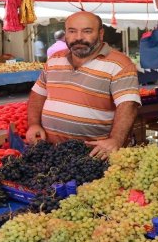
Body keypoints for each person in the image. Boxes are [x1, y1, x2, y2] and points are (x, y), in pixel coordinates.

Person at [26, 11, 141, 160]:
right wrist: (34, 124)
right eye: (72, 31)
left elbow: (128, 105)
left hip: (93, 156)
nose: (78, 37)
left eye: (87, 31)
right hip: (51, 150)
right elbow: (38, 94)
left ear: (101, 33)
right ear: (65, 33)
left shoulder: (120, 64)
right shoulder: (55, 59)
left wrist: (116, 140)